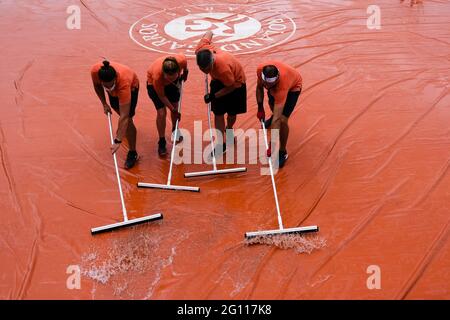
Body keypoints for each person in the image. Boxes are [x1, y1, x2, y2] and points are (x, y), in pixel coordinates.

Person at [195, 31, 247, 156]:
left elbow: (231, 86)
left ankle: (229, 129)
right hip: (218, 81)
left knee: (231, 113)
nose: (205, 71)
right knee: (218, 113)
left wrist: (213, 96)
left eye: (207, 69)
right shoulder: (201, 48)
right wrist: (211, 32)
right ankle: (220, 144)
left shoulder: (222, 69)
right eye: (202, 69)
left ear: (212, 61)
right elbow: (208, 34)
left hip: (236, 84)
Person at [91, 60, 140, 169]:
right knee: (124, 120)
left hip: (131, 87)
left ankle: (133, 153)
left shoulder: (124, 83)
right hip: (114, 90)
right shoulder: (95, 72)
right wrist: (104, 103)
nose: (108, 87)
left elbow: (124, 116)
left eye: (111, 84)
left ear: (115, 78)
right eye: (106, 86)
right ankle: (126, 130)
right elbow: (97, 86)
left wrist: (118, 140)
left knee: (128, 119)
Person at [256, 61, 303, 168]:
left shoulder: (282, 86)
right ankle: (273, 113)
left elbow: (277, 120)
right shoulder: (260, 70)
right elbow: (259, 88)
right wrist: (260, 108)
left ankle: (283, 151)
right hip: (277, 86)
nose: (267, 87)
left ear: (276, 80)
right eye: (265, 84)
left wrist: (272, 145)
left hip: (293, 87)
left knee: (282, 120)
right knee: (272, 106)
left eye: (270, 85)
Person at [147, 54, 188, 156]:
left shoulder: (182, 60)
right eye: (168, 77)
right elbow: (162, 96)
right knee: (161, 113)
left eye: (173, 77)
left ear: (178, 71)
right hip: (154, 86)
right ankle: (162, 141)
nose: (170, 79)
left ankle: (175, 129)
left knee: (175, 105)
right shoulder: (157, 77)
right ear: (164, 73)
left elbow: (186, 69)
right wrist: (173, 110)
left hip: (173, 86)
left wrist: (185, 75)